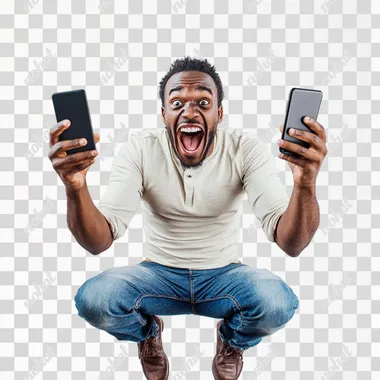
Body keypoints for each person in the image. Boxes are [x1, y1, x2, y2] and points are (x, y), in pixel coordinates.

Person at [49, 56, 327, 380]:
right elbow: (99, 241)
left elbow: (290, 243)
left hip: (224, 278)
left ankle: (231, 340)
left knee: (278, 303)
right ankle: (147, 333)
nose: (190, 112)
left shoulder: (245, 150)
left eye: (203, 102)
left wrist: (305, 182)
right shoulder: (140, 149)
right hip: (157, 277)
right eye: (177, 101)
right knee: (93, 300)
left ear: (218, 114)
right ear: (164, 114)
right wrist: (75, 186)